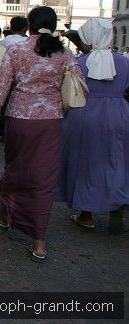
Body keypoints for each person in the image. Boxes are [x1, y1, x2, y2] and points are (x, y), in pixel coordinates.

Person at [0, 6, 83, 262]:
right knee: (44, 179)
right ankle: (39, 242)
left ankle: (5, 215)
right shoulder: (63, 53)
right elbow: (79, 83)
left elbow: (2, 86)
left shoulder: (16, 50)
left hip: (20, 120)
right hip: (51, 121)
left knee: (15, 170)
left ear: (29, 25)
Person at [58, 18, 129, 234]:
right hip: (120, 115)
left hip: (84, 115)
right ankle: (116, 203)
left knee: (85, 163)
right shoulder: (124, 62)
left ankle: (86, 215)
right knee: (116, 161)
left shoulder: (79, 63)